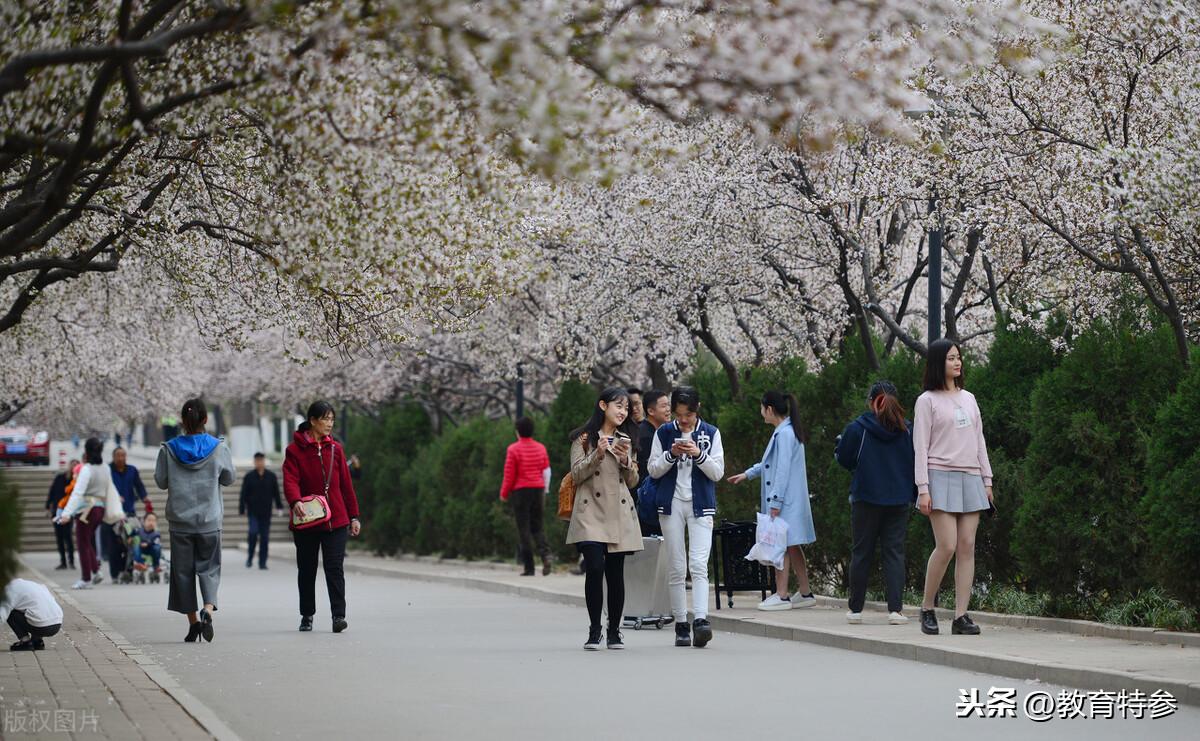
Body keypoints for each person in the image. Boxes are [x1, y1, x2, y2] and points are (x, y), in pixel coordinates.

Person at [914, 339, 994, 636]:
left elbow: (979, 440)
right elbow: (920, 447)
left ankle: (961, 616)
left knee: (967, 547)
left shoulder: (969, 398)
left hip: (971, 476)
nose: (957, 363)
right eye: (950, 358)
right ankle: (927, 608)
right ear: (938, 363)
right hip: (939, 476)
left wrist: (987, 479)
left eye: (958, 358)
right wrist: (923, 487)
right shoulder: (927, 401)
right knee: (946, 545)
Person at [565, 387, 643, 650]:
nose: (622, 412)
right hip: (590, 513)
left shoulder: (627, 438)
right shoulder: (583, 439)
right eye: (618, 406)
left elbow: (633, 481)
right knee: (595, 567)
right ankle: (594, 629)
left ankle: (614, 631)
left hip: (618, 512)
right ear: (602, 406)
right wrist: (596, 453)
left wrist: (625, 461)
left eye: (626, 408)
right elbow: (576, 475)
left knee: (615, 572)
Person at [647, 386, 725, 648]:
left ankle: (701, 621)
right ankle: (681, 623)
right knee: (677, 567)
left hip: (701, 504)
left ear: (697, 409)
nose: (683, 420)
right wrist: (672, 454)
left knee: (699, 564)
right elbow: (653, 470)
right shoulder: (663, 432)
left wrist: (697, 454)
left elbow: (717, 473)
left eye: (688, 414)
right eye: (679, 415)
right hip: (670, 505)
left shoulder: (711, 433)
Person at [835, 380, 916, 625]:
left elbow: (844, 458)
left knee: (861, 552)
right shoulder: (908, 430)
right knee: (894, 552)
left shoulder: (858, 428)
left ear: (872, 402)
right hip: (899, 498)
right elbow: (916, 463)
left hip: (866, 497)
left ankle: (856, 610)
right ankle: (895, 610)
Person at [727, 390, 817, 611]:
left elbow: (782, 470)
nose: (761, 413)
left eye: (761, 408)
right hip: (790, 500)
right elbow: (771, 464)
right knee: (792, 545)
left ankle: (782, 594)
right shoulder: (787, 431)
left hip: (785, 501)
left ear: (769, 409)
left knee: (781, 546)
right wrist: (747, 474)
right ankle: (805, 592)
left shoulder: (784, 434)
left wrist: (775, 502)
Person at [155, 398, 235, 643]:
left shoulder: (168, 449)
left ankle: (194, 623)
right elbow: (229, 478)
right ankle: (208, 609)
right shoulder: (219, 448)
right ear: (205, 420)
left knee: (182, 574)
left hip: (180, 522)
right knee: (209, 569)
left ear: (182, 420)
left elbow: (161, 481)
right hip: (209, 520)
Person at [284, 401, 361, 634]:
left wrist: (354, 516)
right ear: (313, 421)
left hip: (336, 519)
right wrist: (295, 500)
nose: (329, 423)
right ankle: (307, 615)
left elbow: (346, 485)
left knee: (334, 568)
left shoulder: (336, 449)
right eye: (326, 419)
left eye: (332, 419)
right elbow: (290, 479)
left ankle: (339, 616)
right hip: (307, 519)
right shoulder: (294, 450)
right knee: (306, 569)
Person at [499, 417, 553, 576]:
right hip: (538, 489)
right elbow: (546, 471)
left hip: (521, 492)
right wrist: (545, 489)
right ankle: (546, 555)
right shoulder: (541, 448)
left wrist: (504, 493)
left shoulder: (513, 449)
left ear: (517, 432)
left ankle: (529, 567)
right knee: (537, 526)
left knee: (523, 528)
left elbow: (509, 475)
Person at [57, 439, 107, 589]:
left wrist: (66, 513)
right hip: (100, 509)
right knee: (87, 542)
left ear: (86, 451)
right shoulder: (105, 468)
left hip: (86, 511)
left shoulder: (86, 469)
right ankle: (96, 571)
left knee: (82, 543)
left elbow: (77, 493)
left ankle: (86, 578)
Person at [105, 447, 150, 581]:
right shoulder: (108, 470)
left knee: (131, 542)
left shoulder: (132, 470)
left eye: (123, 455)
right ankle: (115, 573)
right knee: (115, 545)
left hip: (129, 512)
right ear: (113, 457)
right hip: (112, 514)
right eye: (118, 456)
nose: (121, 458)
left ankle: (128, 572)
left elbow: (139, 486)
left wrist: (145, 498)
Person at [239, 452, 284, 569]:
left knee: (264, 537)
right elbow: (243, 493)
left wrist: (279, 506)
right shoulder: (249, 476)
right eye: (257, 461)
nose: (259, 463)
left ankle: (262, 562)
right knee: (253, 533)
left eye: (261, 460)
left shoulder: (271, 476)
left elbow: (276, 493)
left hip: (266, 512)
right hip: (253, 511)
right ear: (254, 462)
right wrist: (242, 508)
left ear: (264, 461)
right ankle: (250, 557)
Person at [2, 579, 63, 651]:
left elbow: (2, 615)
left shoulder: (8, 591)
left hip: (41, 626)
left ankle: (25, 642)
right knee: (33, 608)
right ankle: (37, 641)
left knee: (10, 612)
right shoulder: (32, 584)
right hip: (57, 623)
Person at [45, 461, 77, 571]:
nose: (73, 467)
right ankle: (63, 561)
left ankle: (71, 561)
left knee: (68, 537)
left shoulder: (76, 481)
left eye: (76, 466)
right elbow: (52, 491)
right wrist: (48, 506)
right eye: (72, 465)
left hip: (68, 512)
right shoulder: (60, 478)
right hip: (57, 510)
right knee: (59, 537)